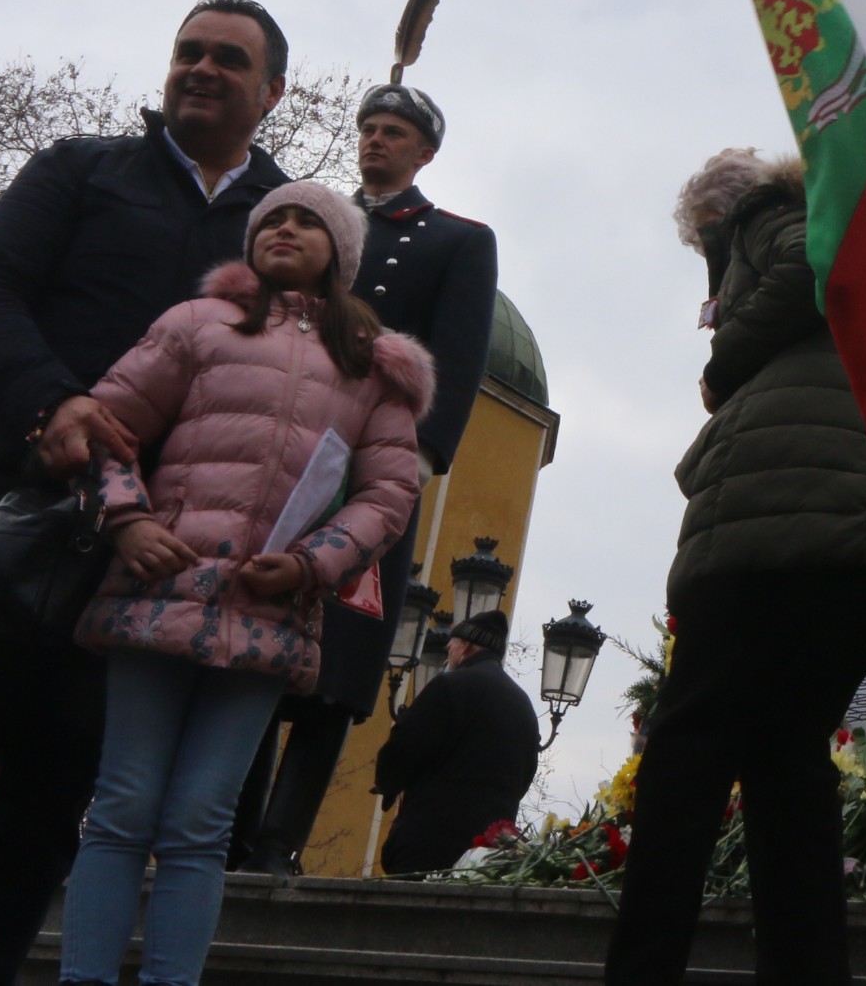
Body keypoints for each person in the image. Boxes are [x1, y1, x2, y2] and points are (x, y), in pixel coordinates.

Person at [0, 0, 292, 986]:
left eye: (228, 57)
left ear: (272, 92)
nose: (201, 67)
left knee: (54, 796)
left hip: (156, 553)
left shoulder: (287, 227)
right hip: (16, 511)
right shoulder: (80, 169)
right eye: (187, 50)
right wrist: (51, 403)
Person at [57, 181, 427, 986]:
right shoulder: (196, 324)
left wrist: (312, 563)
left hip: (270, 611)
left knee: (200, 822)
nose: (284, 229)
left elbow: (390, 495)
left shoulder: (374, 367)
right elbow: (108, 429)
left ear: (341, 253)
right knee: (122, 807)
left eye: (307, 222)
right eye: (272, 219)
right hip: (160, 588)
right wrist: (127, 521)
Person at [604, 149, 866, 985]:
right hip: (864, 531)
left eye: (703, 241)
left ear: (715, 219)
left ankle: (643, 967)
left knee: (688, 746)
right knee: (785, 758)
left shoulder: (765, 216)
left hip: (780, 517)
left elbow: (806, 269)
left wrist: (722, 362)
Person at [232, 80, 497, 875]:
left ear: (425, 152)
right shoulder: (315, 227)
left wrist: (419, 457)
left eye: (394, 131)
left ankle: (277, 842)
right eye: (369, 127)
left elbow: (456, 356)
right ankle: (229, 831)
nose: (375, 140)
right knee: (252, 640)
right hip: (286, 454)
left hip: (372, 467)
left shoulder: (457, 240)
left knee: (340, 664)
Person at [371, 610, 540, 876]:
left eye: (450, 648)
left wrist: (388, 783)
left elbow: (403, 747)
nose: (447, 658)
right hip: (488, 855)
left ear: (466, 646)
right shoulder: (523, 705)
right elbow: (526, 774)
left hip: (429, 843)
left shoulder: (449, 686)